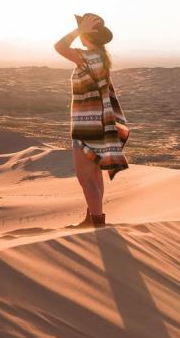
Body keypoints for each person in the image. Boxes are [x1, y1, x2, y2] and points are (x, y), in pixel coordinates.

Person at [53, 12, 130, 228]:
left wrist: (79, 29)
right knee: (95, 176)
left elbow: (59, 47)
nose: (79, 38)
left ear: (88, 35)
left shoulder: (86, 57)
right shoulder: (102, 58)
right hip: (101, 124)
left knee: (85, 178)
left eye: (83, 34)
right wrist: (83, 29)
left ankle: (96, 223)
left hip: (87, 126)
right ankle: (94, 217)